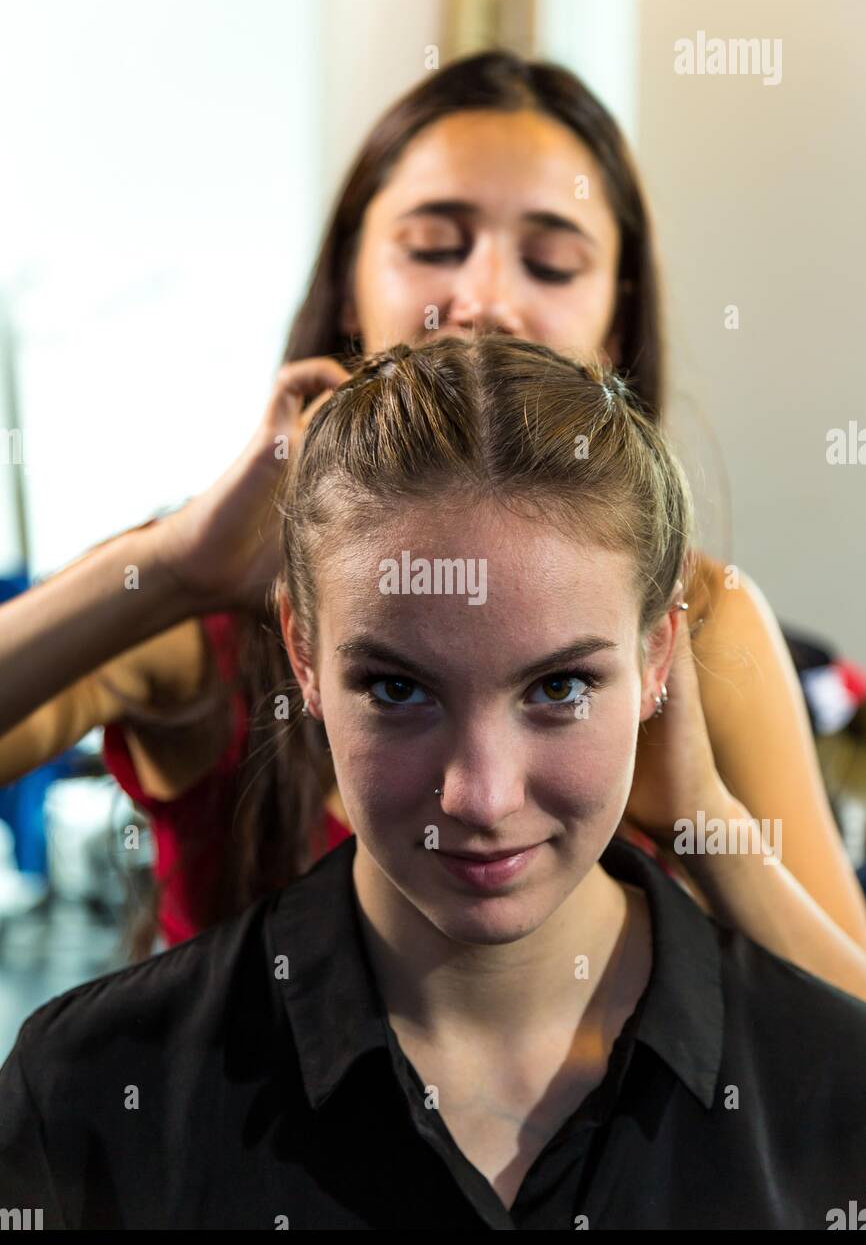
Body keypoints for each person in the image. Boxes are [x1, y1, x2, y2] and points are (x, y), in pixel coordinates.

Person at [2, 51, 865, 995]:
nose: (485, 299)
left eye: (551, 261)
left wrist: (704, 819)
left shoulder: (702, 624)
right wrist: (172, 570)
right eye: (432, 246)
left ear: (617, 325)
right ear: (347, 289)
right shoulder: (196, 608)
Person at [2, 335, 865, 1231]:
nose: (481, 797)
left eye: (558, 687)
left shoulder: (830, 1097)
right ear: (304, 653)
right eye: (397, 688)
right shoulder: (91, 1098)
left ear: (657, 658)